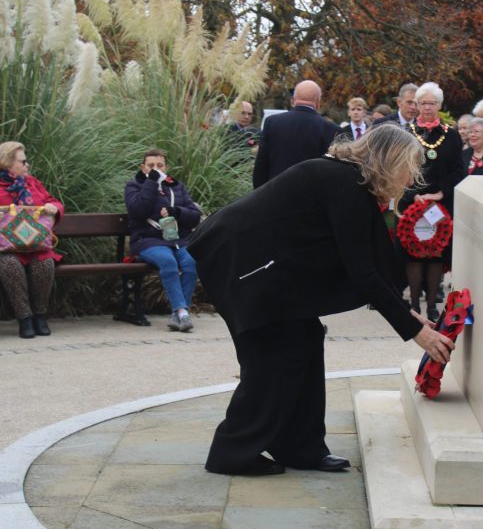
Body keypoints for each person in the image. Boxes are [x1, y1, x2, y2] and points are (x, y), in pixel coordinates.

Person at [188, 123, 454, 477]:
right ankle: (232, 452)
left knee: (305, 339)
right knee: (271, 354)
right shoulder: (344, 183)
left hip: (263, 269)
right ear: (390, 161)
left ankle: (301, 448)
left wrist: (410, 315)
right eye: (409, 168)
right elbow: (363, 274)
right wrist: (415, 331)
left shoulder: (346, 181)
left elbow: (370, 267)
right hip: (243, 266)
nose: (410, 179)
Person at [397, 82, 466, 322]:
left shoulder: (451, 135)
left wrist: (439, 195)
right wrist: (413, 195)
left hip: (440, 204)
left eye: (432, 103)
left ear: (439, 105)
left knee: (436, 253)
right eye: (423, 103)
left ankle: (433, 306)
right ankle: (415, 302)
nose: (427, 107)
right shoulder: (405, 133)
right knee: (414, 253)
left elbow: (459, 171)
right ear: (416, 105)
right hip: (412, 201)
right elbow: (398, 168)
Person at [124, 149, 202, 331]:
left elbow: (195, 216)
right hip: (147, 240)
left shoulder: (176, 186)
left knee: (191, 262)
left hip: (178, 240)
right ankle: (182, 311)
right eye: (151, 166)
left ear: (166, 167)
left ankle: (178, 314)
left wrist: (177, 212)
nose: (155, 169)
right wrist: (152, 182)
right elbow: (138, 210)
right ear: (143, 168)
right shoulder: (134, 186)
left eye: (159, 166)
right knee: (168, 261)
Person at [0, 141, 63, 338]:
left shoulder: (32, 183)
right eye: (23, 161)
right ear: (8, 163)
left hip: (36, 244)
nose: (27, 165)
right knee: (10, 265)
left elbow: (53, 201)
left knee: (44, 263)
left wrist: (54, 207)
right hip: (6, 247)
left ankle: (39, 315)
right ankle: (24, 318)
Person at [252, 79, 339, 187]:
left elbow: (261, 164)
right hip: (311, 198)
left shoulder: (272, 123)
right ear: (318, 102)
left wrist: (259, 195)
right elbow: (333, 173)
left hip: (274, 194)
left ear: (293, 100)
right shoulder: (331, 129)